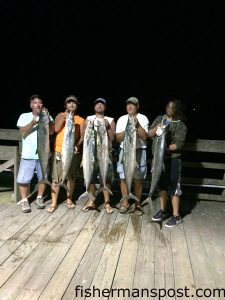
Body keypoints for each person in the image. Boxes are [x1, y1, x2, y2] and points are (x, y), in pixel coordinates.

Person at [149, 98, 187, 228]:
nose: (170, 109)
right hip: (158, 159)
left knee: (173, 186)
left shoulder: (180, 125)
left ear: (177, 109)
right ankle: (163, 210)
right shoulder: (160, 118)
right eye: (168, 106)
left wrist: (164, 148)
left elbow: (179, 145)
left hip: (173, 159)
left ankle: (176, 216)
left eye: (173, 107)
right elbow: (149, 133)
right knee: (162, 185)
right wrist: (156, 128)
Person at [16, 94, 54, 213]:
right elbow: (22, 131)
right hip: (28, 154)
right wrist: (33, 123)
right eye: (35, 102)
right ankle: (24, 201)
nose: (38, 104)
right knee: (23, 179)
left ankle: (39, 198)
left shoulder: (47, 116)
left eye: (40, 102)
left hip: (43, 153)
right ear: (31, 105)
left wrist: (49, 121)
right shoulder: (24, 116)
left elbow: (52, 132)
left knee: (43, 177)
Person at [48, 95, 84, 213]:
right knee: (56, 177)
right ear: (65, 105)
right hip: (59, 150)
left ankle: (69, 199)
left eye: (74, 103)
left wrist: (77, 145)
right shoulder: (60, 115)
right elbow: (56, 130)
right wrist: (64, 118)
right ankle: (54, 202)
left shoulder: (80, 120)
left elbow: (82, 136)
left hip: (72, 152)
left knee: (71, 177)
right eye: (69, 103)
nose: (71, 104)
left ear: (77, 106)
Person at [81, 98, 115, 214]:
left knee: (106, 178)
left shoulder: (110, 120)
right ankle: (91, 201)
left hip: (105, 152)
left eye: (102, 104)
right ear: (94, 107)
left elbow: (113, 137)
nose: (99, 105)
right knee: (90, 177)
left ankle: (107, 202)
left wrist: (108, 127)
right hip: (90, 153)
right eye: (97, 104)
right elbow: (83, 136)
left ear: (105, 108)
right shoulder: (88, 119)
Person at [116, 97, 149, 215]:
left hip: (139, 152)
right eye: (128, 104)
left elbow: (145, 136)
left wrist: (137, 125)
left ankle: (137, 204)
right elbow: (117, 138)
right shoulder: (122, 119)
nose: (130, 106)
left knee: (138, 179)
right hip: (124, 152)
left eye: (133, 105)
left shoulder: (143, 118)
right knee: (123, 178)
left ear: (137, 106)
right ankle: (125, 203)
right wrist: (128, 129)